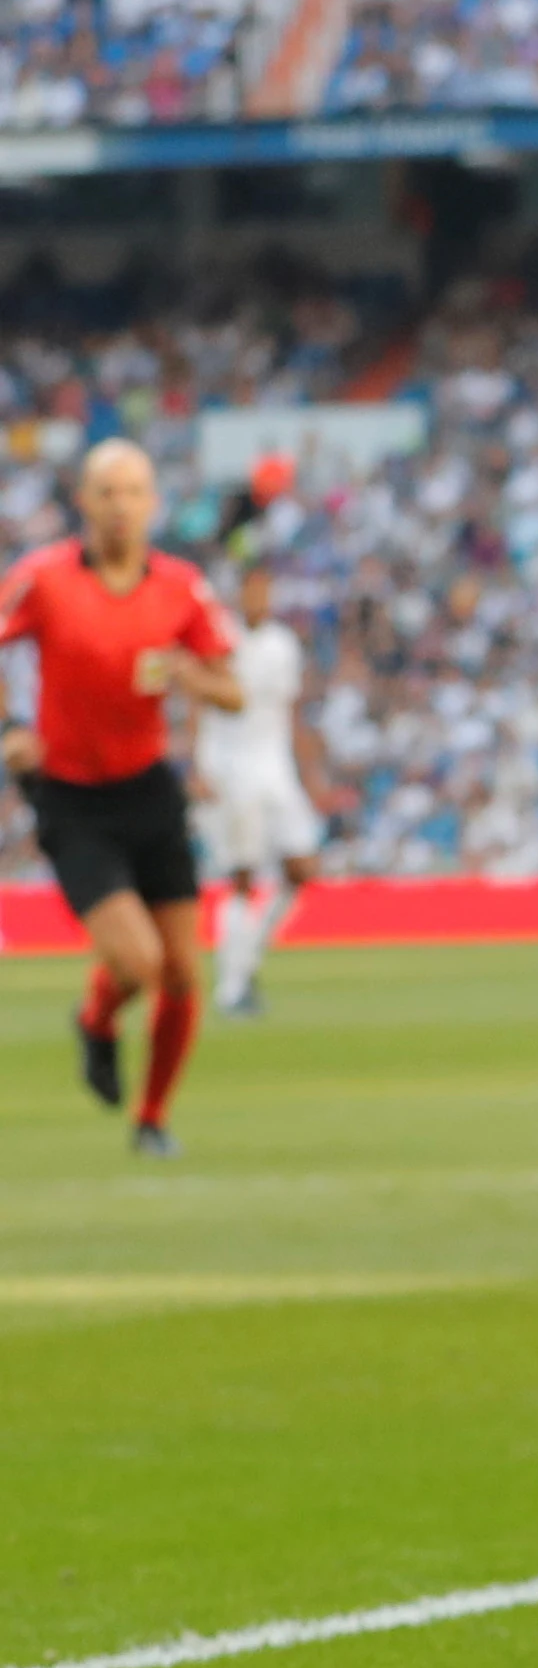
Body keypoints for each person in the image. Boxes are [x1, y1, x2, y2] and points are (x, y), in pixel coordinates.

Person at [2, 441, 243, 1158]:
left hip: (149, 790)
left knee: (181, 971)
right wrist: (11, 727)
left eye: (133, 491)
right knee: (138, 962)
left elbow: (233, 687)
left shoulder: (180, 587)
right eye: (106, 491)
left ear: (153, 503)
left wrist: (189, 678)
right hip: (73, 799)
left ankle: (152, 1117)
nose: (119, 505)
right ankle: (98, 1019)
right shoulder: (42, 579)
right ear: (83, 501)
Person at [192, 560, 328, 1018]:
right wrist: (196, 765)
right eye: (252, 589)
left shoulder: (282, 644)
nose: (259, 598)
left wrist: (309, 776)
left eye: (266, 590)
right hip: (230, 764)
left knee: (302, 868)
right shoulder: (219, 636)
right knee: (243, 876)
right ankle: (231, 987)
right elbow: (196, 698)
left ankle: (246, 959)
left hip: (275, 764)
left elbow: (290, 712)